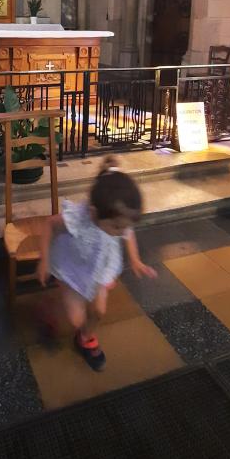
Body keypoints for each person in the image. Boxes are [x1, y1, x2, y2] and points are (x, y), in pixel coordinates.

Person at [37, 154, 157, 371]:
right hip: (72, 268)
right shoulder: (78, 218)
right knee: (75, 318)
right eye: (117, 227)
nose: (122, 232)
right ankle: (60, 314)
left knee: (99, 311)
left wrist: (135, 259)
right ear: (94, 214)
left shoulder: (117, 220)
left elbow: (128, 233)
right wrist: (44, 260)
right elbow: (49, 225)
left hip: (99, 267)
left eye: (123, 227)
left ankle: (85, 337)